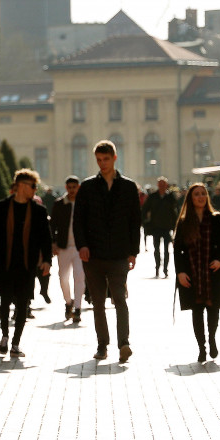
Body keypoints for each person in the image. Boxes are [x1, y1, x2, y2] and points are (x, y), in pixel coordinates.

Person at [73, 139, 142, 363]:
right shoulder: (88, 187)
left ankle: (124, 343)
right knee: (98, 302)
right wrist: (82, 245)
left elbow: (135, 221)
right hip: (93, 255)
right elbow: (78, 221)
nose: (102, 163)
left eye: (106, 159)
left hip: (120, 254)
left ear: (114, 158)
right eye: (99, 160)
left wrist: (134, 251)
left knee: (120, 299)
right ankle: (102, 345)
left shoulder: (129, 187)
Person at [0, 169, 53, 358]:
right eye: (33, 186)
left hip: (27, 264)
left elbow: (46, 238)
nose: (35, 190)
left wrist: (46, 261)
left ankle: (15, 343)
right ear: (20, 186)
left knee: (23, 303)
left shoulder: (38, 211)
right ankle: (4, 335)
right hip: (5, 263)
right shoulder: (1, 207)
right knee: (4, 301)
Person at [173, 183, 220, 363]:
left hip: (213, 272)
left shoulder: (217, 218)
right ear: (190, 199)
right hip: (192, 272)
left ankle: (212, 339)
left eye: (203, 194)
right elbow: (177, 250)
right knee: (197, 310)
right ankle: (201, 347)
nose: (200, 197)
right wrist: (180, 272)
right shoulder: (184, 222)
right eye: (196, 194)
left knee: (213, 309)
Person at [52, 176, 86, 323]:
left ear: (78, 187)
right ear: (66, 188)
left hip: (80, 247)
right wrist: (53, 242)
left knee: (79, 277)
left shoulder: (84, 203)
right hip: (63, 247)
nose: (72, 190)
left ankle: (78, 308)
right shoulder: (60, 204)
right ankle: (68, 302)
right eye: (69, 187)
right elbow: (52, 225)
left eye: (74, 187)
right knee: (63, 277)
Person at [142, 177, 180, 277]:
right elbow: (145, 209)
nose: (162, 186)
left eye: (163, 184)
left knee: (167, 249)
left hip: (167, 227)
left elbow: (175, 211)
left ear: (166, 186)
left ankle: (165, 269)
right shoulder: (153, 197)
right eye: (160, 184)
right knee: (156, 249)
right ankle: (158, 266)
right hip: (156, 227)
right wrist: (145, 222)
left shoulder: (170, 197)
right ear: (158, 185)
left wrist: (175, 225)